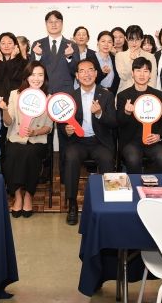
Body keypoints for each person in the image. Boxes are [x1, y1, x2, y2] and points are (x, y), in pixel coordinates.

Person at [61, 59, 116, 226]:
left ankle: (108, 203)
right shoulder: (70, 97)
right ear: (77, 76)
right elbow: (61, 122)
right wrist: (66, 129)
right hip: (78, 142)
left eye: (90, 70)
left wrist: (99, 114)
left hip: (99, 142)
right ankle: (72, 204)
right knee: (71, 157)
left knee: (107, 158)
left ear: (96, 73)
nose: (87, 74)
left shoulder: (106, 95)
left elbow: (113, 122)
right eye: (82, 71)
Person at [0, 62, 53, 218]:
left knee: (30, 154)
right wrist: (4, 110)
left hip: (37, 139)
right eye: (33, 74)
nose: (36, 78)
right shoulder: (15, 94)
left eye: (40, 75)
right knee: (12, 153)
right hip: (16, 137)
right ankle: (17, 195)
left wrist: (35, 132)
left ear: (45, 78)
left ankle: (29, 194)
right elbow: (8, 122)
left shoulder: (49, 98)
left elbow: (48, 127)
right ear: (26, 77)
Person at [116, 57, 162, 173]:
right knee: (133, 159)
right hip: (131, 142)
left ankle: (158, 185)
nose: (142, 74)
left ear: (150, 75)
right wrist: (126, 113)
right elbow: (118, 122)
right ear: (132, 73)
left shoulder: (159, 95)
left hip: (153, 142)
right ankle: (136, 185)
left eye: (145, 71)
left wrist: (159, 136)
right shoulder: (123, 96)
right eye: (138, 70)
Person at [32, 10, 75, 94]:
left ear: (62, 23)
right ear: (46, 24)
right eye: (50, 22)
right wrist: (37, 56)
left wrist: (69, 57)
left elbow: (76, 71)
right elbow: (30, 70)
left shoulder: (72, 45)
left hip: (65, 91)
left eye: (57, 21)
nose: (53, 24)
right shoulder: (37, 44)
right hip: (43, 89)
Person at [115, 25, 157, 94]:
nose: (134, 43)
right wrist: (131, 60)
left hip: (145, 95)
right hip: (125, 94)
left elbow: (152, 80)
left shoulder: (150, 56)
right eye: (131, 40)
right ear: (126, 39)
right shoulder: (120, 56)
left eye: (137, 39)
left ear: (142, 39)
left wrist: (146, 95)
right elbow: (124, 76)